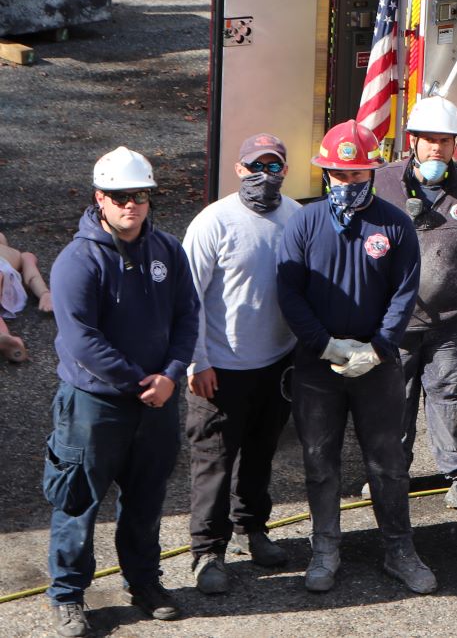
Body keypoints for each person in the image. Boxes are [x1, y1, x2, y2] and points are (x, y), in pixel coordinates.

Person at [43, 148, 198, 637]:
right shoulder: (77, 260)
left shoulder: (168, 250)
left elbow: (187, 316)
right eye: (120, 196)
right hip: (94, 405)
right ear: (100, 198)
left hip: (157, 400)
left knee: (146, 498)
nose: (131, 205)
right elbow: (81, 340)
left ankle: (145, 583)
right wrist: (140, 382)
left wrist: (171, 374)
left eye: (141, 196)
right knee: (77, 501)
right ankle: (67, 596)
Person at [277, 120, 433, 595]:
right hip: (317, 365)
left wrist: (380, 347)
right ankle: (325, 547)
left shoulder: (395, 223)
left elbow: (404, 293)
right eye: (339, 176)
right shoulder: (303, 222)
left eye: (358, 176)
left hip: (377, 364)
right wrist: (324, 344)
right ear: (326, 174)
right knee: (319, 458)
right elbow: (289, 291)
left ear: (372, 174)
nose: (348, 185)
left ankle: (399, 549)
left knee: (387, 460)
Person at [373, 95, 457, 523]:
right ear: (413, 140)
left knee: (454, 399)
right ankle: (391, 473)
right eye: (428, 140)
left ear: (455, 144)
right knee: (393, 402)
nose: (436, 149)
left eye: (444, 141)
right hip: (395, 323)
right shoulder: (382, 184)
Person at [180, 133, 302, 595]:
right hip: (219, 370)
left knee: (260, 453)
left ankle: (253, 529)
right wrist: (196, 363)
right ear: (238, 170)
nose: (263, 177)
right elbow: (186, 300)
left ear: (285, 172)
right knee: (213, 460)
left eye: (273, 167)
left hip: (275, 366)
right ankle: (207, 552)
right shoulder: (213, 222)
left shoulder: (297, 217)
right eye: (255, 167)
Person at [0, 229, 52, 362]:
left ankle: (5, 337)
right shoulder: (19, 255)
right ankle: (6, 338)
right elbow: (32, 277)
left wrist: (45, 294)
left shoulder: (17, 255)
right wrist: (43, 293)